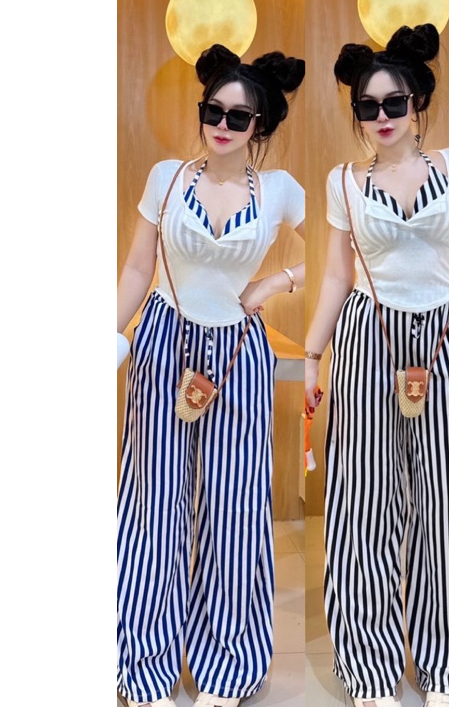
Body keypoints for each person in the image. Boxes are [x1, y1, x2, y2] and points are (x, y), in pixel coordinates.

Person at [304, 24, 449, 707]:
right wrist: (313, 355)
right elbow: (335, 276)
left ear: (419, 103)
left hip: (447, 335)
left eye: (394, 102)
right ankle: (371, 670)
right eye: (367, 105)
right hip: (367, 337)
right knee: (363, 505)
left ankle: (447, 665)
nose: (381, 116)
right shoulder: (343, 182)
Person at [116, 44, 306, 707]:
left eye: (238, 116)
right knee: (154, 506)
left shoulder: (280, 191)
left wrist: (274, 283)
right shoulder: (167, 178)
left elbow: (342, 250)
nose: (222, 125)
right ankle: (147, 662)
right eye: (212, 110)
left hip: (238, 352)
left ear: (260, 124)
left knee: (235, 507)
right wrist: (108, 333)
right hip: (164, 338)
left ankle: (228, 661)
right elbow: (138, 268)